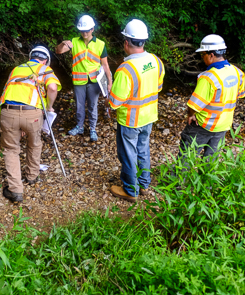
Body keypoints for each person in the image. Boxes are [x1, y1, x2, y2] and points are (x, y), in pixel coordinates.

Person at [108, 19, 164, 202]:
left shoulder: (126, 69)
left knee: (128, 153)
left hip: (131, 120)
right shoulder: (156, 61)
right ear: (144, 41)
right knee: (143, 150)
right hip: (149, 116)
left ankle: (131, 190)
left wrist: (109, 92)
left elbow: (115, 103)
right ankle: (144, 184)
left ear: (126, 42)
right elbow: (158, 87)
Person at [0, 45, 61, 203]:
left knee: (11, 150)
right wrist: (48, 107)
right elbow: (53, 88)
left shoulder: (16, 69)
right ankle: (32, 176)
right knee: (34, 144)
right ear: (46, 60)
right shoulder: (45, 70)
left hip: (8, 112)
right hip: (32, 114)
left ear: (31, 56)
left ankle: (16, 190)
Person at [180, 34, 245, 159]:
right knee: (210, 162)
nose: (202, 58)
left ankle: (180, 178)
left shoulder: (209, 78)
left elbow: (194, 105)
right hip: (223, 125)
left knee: (186, 158)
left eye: (202, 54)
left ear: (211, 55)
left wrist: (191, 115)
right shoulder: (238, 73)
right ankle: (206, 179)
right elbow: (238, 95)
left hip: (203, 125)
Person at [55, 15, 112, 142]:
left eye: (87, 30)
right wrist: (63, 43)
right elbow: (58, 51)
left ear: (92, 29)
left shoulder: (101, 44)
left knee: (93, 106)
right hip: (79, 80)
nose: (84, 33)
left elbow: (105, 65)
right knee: (79, 106)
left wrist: (109, 82)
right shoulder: (73, 42)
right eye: (82, 30)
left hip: (94, 80)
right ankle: (79, 127)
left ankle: (92, 129)